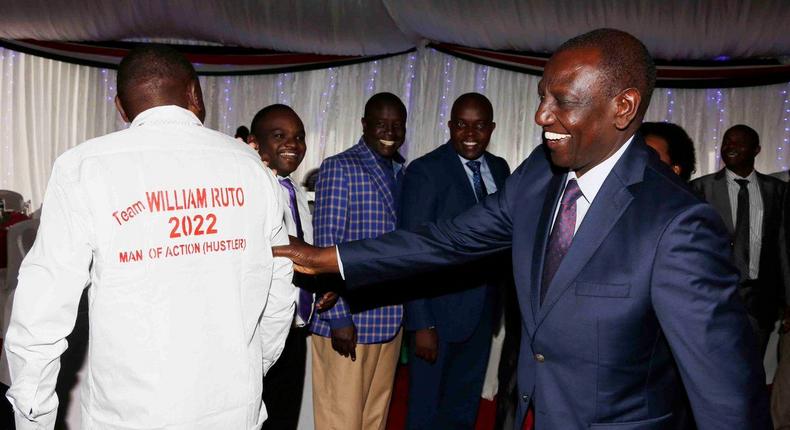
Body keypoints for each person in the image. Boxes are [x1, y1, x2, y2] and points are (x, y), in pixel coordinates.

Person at [274, 29, 770, 429]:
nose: (541, 116)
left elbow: (725, 390)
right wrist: (334, 258)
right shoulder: (539, 173)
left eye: (562, 101)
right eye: (541, 97)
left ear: (623, 106)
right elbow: (450, 238)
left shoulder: (678, 223)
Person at [4, 45, 295, 430]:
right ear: (195, 94)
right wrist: (249, 368)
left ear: (121, 108)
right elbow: (279, 289)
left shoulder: (85, 167)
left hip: (130, 415)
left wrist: (33, 420)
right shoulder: (252, 169)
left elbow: (41, 312)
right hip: (232, 410)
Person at [399, 92, 511, 429]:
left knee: (463, 410)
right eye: (461, 125)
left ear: (491, 128)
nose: (470, 133)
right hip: (438, 317)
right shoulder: (425, 171)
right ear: (450, 126)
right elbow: (412, 252)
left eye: (479, 126)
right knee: (426, 411)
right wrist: (422, 323)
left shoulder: (500, 168)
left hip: (483, 312)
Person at [309, 92, 406, 430]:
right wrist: (337, 317)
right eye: (381, 124)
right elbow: (325, 246)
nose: (389, 132)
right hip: (348, 320)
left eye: (397, 125)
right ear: (364, 125)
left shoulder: (402, 171)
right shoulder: (340, 167)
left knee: (373, 420)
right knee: (341, 421)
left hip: (389, 320)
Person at [247, 104, 336, 430]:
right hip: (259, 332)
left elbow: (301, 254)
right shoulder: (250, 192)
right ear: (255, 143)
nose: (293, 144)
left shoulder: (295, 191)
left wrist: (321, 285)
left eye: (299, 137)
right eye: (280, 135)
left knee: (284, 421)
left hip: (295, 330)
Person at [691, 124, 786, 353]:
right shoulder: (700, 188)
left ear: (756, 149)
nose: (730, 147)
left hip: (761, 301)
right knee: (715, 367)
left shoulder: (778, 190)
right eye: (727, 142)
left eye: (739, 143)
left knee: (753, 370)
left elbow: (783, 247)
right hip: (713, 298)